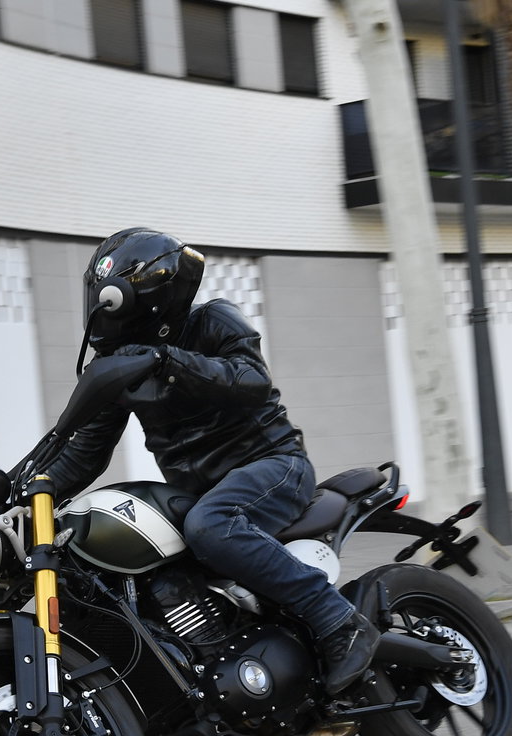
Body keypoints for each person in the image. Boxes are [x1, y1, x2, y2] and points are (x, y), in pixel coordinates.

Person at [43, 227, 379, 692]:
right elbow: (85, 453)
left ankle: (340, 620)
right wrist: (25, 489)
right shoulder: (123, 362)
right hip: (202, 492)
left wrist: (168, 362)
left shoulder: (212, 322)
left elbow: (251, 379)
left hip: (273, 466)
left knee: (209, 524)